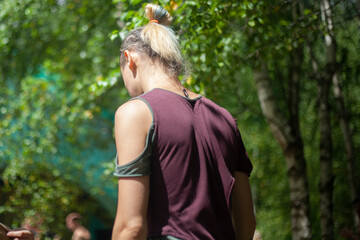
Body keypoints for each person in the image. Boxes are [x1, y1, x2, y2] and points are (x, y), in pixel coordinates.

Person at [112, 3, 256, 240]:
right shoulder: (225, 118)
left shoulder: (136, 112)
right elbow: (247, 222)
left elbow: (131, 226)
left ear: (130, 59)